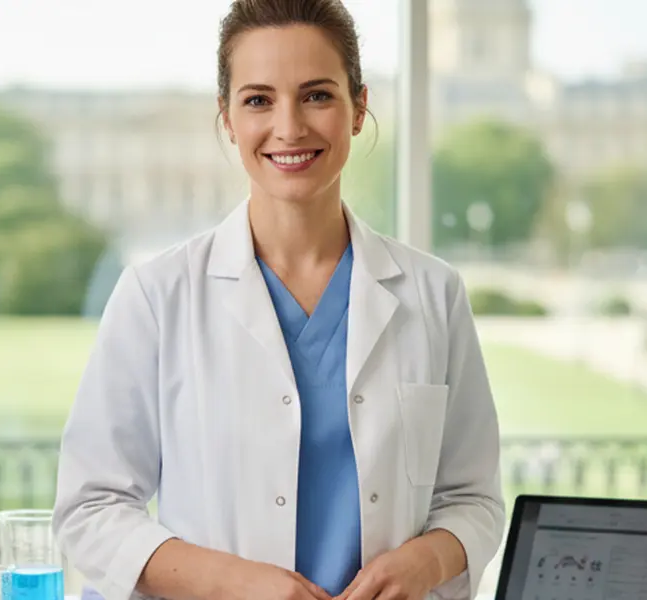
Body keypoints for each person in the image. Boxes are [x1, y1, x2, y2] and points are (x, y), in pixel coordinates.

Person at [51, 1, 505, 598]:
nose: (289, 127)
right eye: (258, 100)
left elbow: (474, 498)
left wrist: (424, 562)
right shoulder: (157, 297)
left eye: (317, 95)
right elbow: (91, 510)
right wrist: (236, 584)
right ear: (228, 118)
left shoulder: (433, 294)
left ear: (359, 107)